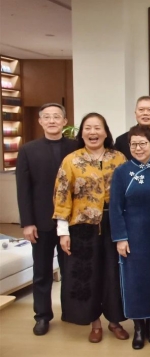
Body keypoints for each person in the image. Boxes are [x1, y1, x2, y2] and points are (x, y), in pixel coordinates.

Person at [52, 112, 129, 343]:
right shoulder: (71, 160)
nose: (93, 132)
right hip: (82, 227)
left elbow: (128, 192)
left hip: (114, 224)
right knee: (88, 274)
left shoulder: (119, 158)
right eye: (88, 128)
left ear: (106, 132)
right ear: (81, 133)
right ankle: (94, 322)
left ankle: (114, 321)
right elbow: (62, 194)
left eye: (97, 128)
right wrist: (63, 231)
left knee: (114, 273)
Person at [16, 103, 77, 336]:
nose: (52, 121)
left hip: (71, 222)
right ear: (40, 121)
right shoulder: (28, 150)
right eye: (47, 117)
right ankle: (42, 316)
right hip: (40, 221)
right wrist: (27, 222)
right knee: (42, 271)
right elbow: (23, 190)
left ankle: (71, 312)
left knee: (70, 269)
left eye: (56, 117)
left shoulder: (75, 147)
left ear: (64, 121)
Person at [110, 125, 150, 349]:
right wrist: (120, 237)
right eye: (133, 144)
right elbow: (115, 207)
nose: (138, 148)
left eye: (143, 143)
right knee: (134, 281)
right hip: (132, 235)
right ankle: (138, 327)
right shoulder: (121, 172)